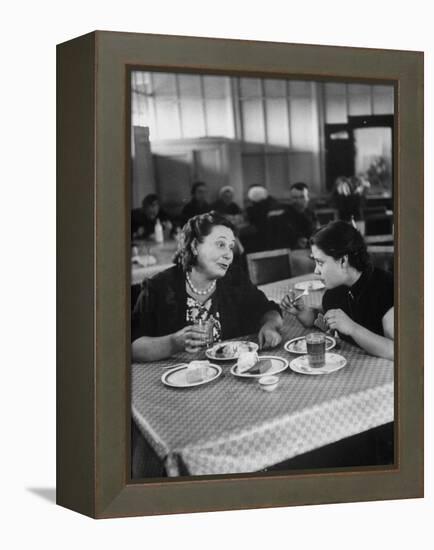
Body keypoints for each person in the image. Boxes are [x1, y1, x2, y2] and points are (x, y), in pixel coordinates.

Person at [132, 211, 283, 361]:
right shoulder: (158, 287)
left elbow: (269, 309)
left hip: (229, 376)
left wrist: (270, 326)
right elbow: (133, 347)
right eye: (220, 244)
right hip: (178, 376)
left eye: (230, 247)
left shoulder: (234, 278)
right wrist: (173, 343)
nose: (228, 255)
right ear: (194, 246)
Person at [281, 221, 394, 360]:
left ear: (343, 261)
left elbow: (399, 351)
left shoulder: (388, 288)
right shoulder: (334, 292)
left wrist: (352, 328)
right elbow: (325, 320)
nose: (316, 271)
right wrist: (304, 313)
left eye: (320, 262)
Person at [284, 182, 318, 248]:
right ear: (290, 199)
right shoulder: (284, 216)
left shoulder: (311, 214)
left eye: (302, 197)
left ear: (307, 198)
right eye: (295, 198)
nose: (298, 201)